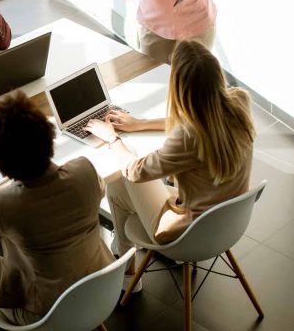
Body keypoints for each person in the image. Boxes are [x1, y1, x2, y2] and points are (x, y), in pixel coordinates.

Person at [85, 40, 255, 285]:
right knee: (118, 190)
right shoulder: (240, 102)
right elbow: (200, 117)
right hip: (227, 221)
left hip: (187, 231)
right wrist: (141, 123)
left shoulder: (187, 138)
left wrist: (111, 137)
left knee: (124, 174)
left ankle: (126, 270)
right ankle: (125, 264)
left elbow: (135, 171)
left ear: (180, 87)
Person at [0, 92, 114, 325]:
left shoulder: (3, 204)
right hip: (102, 292)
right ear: (49, 138)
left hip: (47, 316)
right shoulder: (85, 170)